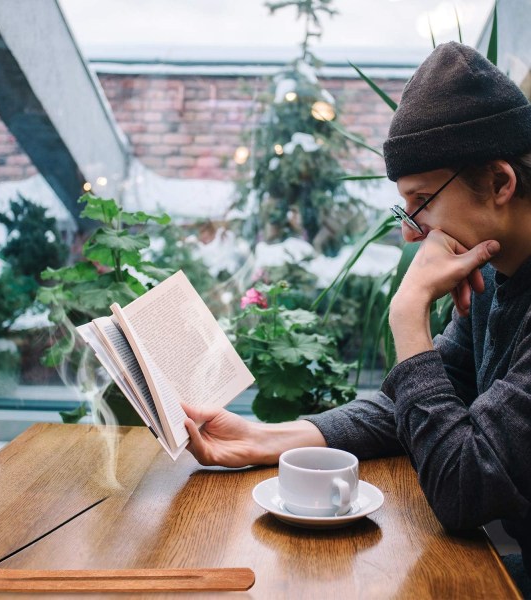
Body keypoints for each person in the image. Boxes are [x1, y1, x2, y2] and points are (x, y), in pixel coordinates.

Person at [183, 42, 531, 594]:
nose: (411, 232)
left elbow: (465, 489)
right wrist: (264, 438)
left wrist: (408, 318)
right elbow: (417, 400)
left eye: (422, 202)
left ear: (499, 183)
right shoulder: (497, 275)